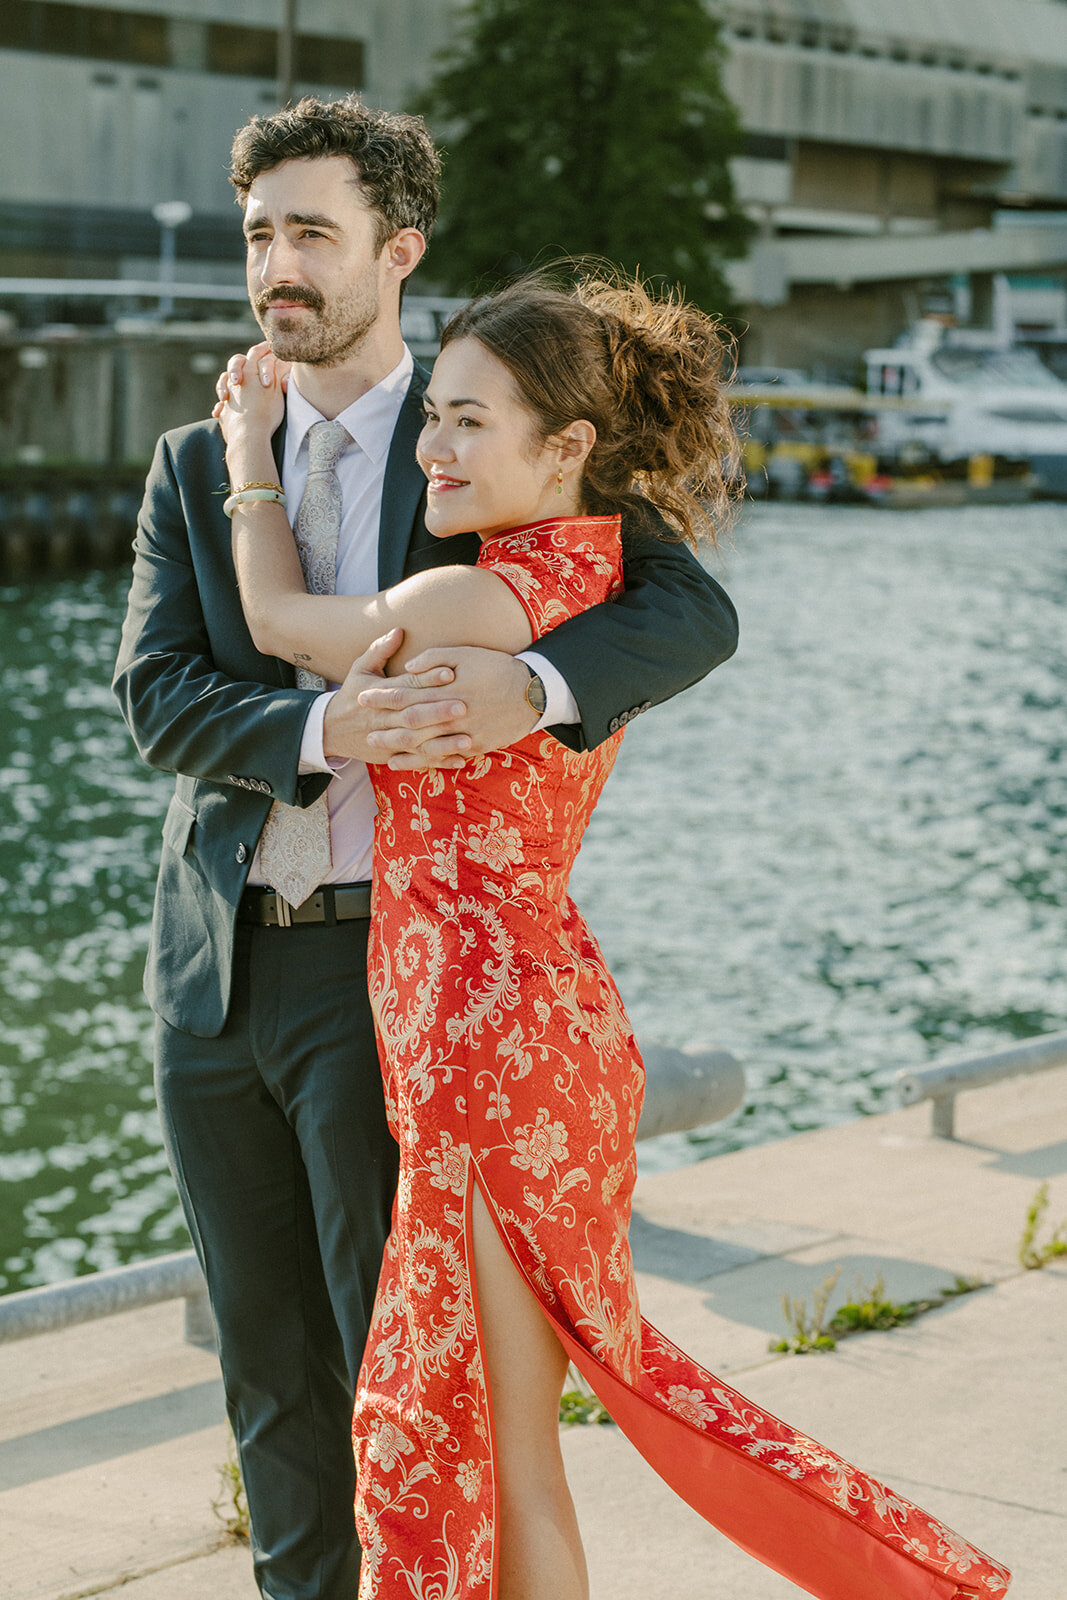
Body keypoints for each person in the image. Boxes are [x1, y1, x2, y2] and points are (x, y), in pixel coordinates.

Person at [218, 278, 1011, 1600]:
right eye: (435, 420)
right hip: (511, 1029)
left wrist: (248, 467)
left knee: (511, 1451)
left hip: (490, 1052)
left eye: (470, 423)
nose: (434, 448)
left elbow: (279, 625)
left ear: (568, 447)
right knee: (494, 1428)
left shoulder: (476, 602)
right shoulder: (579, 569)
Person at [112, 95, 739, 1600]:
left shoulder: (483, 441)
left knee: (399, 1370)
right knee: (268, 1372)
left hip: (381, 973)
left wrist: (535, 685)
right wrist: (333, 735)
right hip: (214, 976)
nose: (280, 264)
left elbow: (684, 607)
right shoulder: (197, 463)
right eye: (261, 233)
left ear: (398, 248)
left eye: (313, 233)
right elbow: (160, 696)